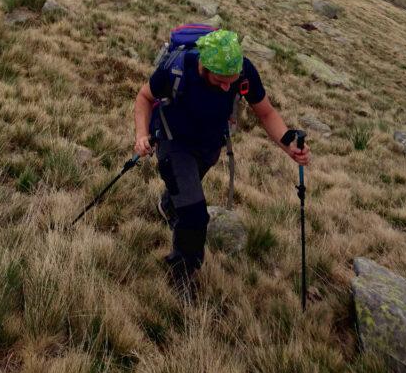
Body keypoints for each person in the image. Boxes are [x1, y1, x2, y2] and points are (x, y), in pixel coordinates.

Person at [133, 28, 310, 295]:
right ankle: (181, 272)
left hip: (209, 146)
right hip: (174, 142)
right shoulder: (178, 70)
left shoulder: (243, 72)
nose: (228, 87)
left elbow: (265, 112)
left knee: (184, 193)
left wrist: (288, 144)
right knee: (194, 215)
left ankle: (168, 204)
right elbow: (145, 97)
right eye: (221, 81)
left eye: (232, 81)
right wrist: (141, 134)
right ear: (204, 65)